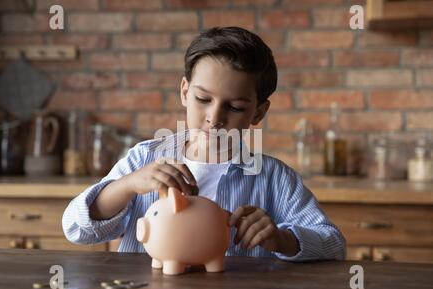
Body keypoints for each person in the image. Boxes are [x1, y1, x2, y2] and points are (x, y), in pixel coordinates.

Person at [62, 26, 346, 261]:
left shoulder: (275, 179)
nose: (215, 118)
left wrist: (281, 239)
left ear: (258, 112)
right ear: (185, 92)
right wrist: (127, 186)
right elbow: (76, 229)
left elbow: (334, 244)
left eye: (235, 107)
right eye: (203, 99)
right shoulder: (143, 159)